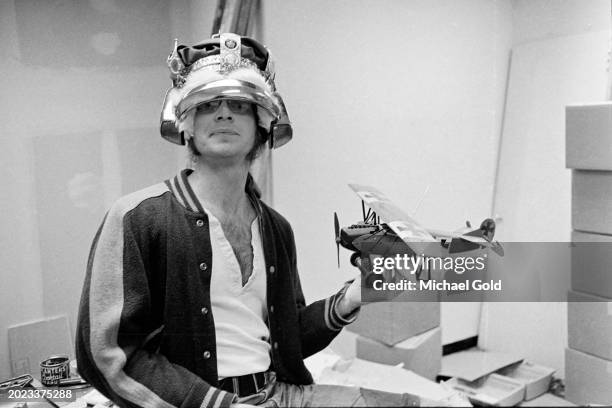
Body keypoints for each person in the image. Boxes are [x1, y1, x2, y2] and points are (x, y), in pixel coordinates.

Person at [75, 33, 422, 408]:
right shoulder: (139, 218)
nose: (224, 113)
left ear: (262, 124)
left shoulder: (276, 228)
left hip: (277, 394)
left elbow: (286, 339)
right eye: (208, 104)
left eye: (240, 105)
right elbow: (106, 355)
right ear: (186, 124)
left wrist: (353, 297)